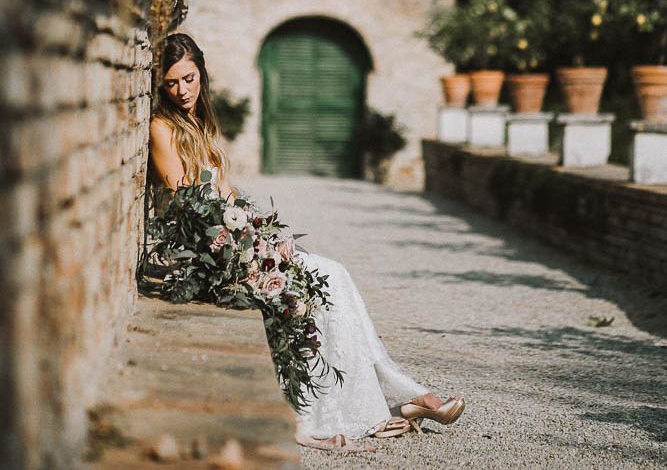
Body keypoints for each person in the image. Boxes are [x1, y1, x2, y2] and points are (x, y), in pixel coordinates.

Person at [149, 33, 465, 451]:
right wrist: (245, 241)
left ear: (201, 74)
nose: (182, 90)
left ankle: (401, 394)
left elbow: (228, 196)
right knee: (324, 279)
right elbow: (189, 203)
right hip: (208, 255)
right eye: (171, 84)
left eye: (189, 79)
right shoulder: (162, 127)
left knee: (335, 275)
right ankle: (399, 398)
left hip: (236, 241)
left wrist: (263, 233)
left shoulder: (200, 125)